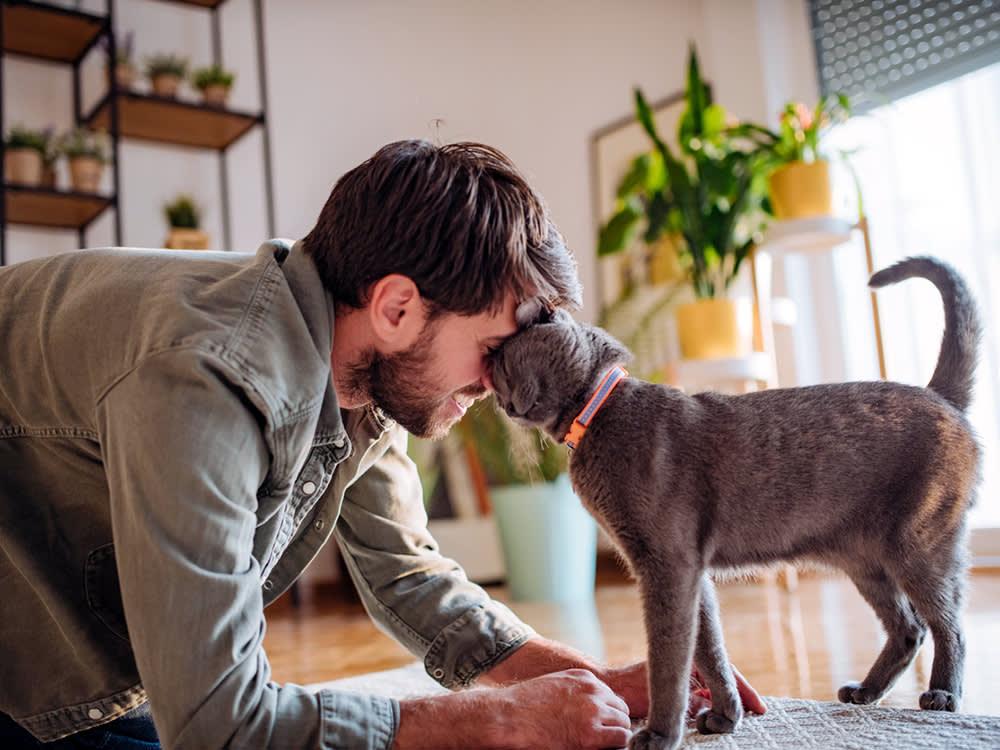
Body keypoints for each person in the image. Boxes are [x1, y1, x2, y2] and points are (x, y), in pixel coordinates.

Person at [0, 140, 764, 749]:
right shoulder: (206, 382)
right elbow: (219, 726)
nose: (501, 385)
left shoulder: (357, 369)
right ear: (398, 306)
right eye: (493, 347)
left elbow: (407, 577)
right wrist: (498, 724)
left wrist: (597, 678)